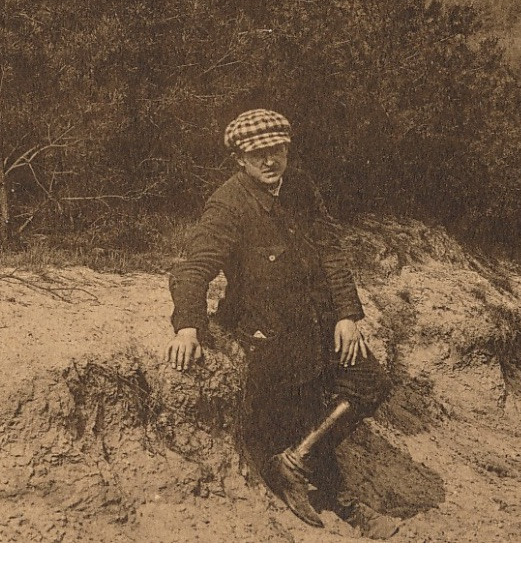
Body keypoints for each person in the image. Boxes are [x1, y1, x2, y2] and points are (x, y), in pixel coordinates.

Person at [165, 108, 398, 538]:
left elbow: (330, 251)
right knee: (302, 401)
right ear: (240, 159)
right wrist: (188, 326)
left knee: (371, 381)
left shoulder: (302, 189)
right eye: (259, 155)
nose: (270, 161)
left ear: (287, 149)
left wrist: (347, 315)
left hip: (317, 321)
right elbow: (193, 269)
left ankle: (295, 460)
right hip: (262, 330)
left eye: (277, 150)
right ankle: (336, 497)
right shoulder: (229, 203)